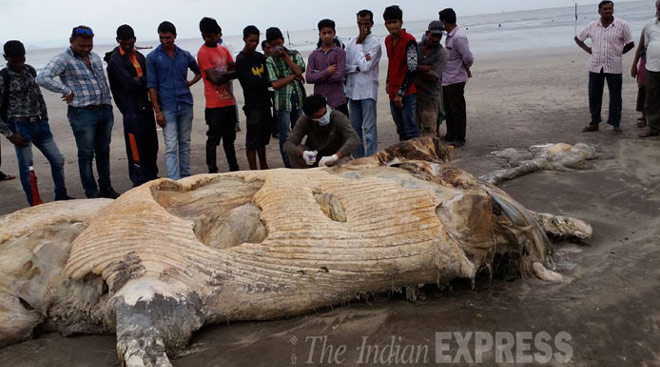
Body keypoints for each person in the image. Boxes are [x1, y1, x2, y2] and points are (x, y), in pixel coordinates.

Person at [37, 25, 119, 199]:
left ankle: (106, 187)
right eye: (82, 46)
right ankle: (92, 192)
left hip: (104, 109)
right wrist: (65, 90)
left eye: (89, 45)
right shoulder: (64, 59)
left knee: (104, 152)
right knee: (86, 154)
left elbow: (102, 82)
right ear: (71, 41)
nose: (86, 49)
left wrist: (108, 102)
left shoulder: (95, 57)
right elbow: (42, 77)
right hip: (83, 113)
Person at [0, 40, 72, 204]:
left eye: (21, 58)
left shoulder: (30, 71)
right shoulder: (3, 77)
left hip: (39, 124)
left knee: (58, 159)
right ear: (6, 57)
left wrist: (45, 119)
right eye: (15, 60)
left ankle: (61, 196)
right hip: (19, 126)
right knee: (27, 168)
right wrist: (10, 135)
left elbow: (38, 96)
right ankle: (35, 203)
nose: (19, 62)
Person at [105, 24, 159, 187]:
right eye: (124, 43)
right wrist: (144, 81)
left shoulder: (139, 56)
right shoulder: (115, 60)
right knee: (135, 146)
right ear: (118, 41)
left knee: (151, 143)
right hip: (131, 109)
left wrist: (141, 81)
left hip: (145, 106)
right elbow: (129, 84)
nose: (127, 46)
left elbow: (148, 78)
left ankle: (152, 176)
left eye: (130, 42)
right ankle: (138, 181)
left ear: (134, 39)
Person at [147, 21, 202, 179]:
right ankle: (174, 179)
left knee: (185, 142)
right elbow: (152, 86)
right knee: (171, 146)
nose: (165, 41)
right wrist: (157, 111)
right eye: (162, 37)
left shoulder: (184, 55)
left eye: (168, 38)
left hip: (185, 103)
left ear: (175, 36)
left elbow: (199, 71)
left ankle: (185, 176)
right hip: (167, 106)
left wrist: (190, 82)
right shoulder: (153, 57)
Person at [575, 0, 634, 135]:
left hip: (614, 66)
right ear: (599, 11)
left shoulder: (622, 25)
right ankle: (594, 122)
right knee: (594, 95)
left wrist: (619, 52)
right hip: (596, 66)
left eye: (610, 8)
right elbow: (578, 38)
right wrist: (588, 49)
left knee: (615, 96)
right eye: (605, 9)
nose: (608, 11)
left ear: (613, 9)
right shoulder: (592, 26)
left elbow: (630, 43)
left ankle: (615, 124)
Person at [197, 17, 239, 173]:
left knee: (230, 139)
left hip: (228, 102)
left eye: (211, 36)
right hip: (214, 104)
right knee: (213, 139)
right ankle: (212, 169)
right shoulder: (202, 53)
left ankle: (233, 167)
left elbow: (235, 71)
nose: (208, 38)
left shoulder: (223, 50)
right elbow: (214, 79)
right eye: (205, 36)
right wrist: (228, 73)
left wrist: (224, 74)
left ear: (218, 35)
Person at [265, 27, 306, 168]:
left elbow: (301, 69)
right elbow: (275, 84)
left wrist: (285, 57)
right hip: (282, 102)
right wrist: (294, 76)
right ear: (268, 46)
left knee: (299, 132)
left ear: (283, 40)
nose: (277, 48)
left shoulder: (294, 54)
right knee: (285, 135)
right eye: (273, 46)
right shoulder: (270, 61)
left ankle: (299, 161)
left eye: (278, 44)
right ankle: (288, 165)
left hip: (298, 98)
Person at [284, 94, 359, 169]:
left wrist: (335, 157)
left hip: (335, 155)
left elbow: (354, 139)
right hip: (314, 156)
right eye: (319, 116)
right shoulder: (305, 120)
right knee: (295, 152)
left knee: (343, 163)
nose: (324, 117)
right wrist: (303, 154)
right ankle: (305, 177)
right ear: (311, 118)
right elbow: (288, 144)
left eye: (325, 113)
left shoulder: (338, 117)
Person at [346, 9, 382, 158]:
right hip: (352, 91)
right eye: (360, 24)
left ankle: (372, 157)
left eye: (366, 24)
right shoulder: (350, 43)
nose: (363, 28)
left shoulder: (376, 44)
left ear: (372, 24)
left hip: (367, 90)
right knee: (354, 128)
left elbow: (367, 67)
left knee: (369, 128)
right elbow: (345, 67)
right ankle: (359, 158)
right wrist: (357, 66)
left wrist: (360, 45)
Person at [236, 25, 271, 170]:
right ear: (244, 39)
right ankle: (253, 169)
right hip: (252, 105)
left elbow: (268, 76)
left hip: (264, 102)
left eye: (256, 41)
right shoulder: (241, 59)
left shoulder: (259, 57)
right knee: (252, 140)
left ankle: (264, 165)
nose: (254, 44)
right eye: (251, 41)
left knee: (263, 139)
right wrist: (266, 82)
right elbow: (250, 82)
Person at [383, 5, 419, 142]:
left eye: (394, 22)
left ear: (401, 22)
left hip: (407, 92)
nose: (392, 26)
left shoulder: (409, 40)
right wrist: (387, 81)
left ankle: (416, 158)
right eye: (389, 23)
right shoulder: (387, 40)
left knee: (410, 128)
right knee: (400, 128)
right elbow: (391, 62)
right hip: (392, 90)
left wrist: (401, 93)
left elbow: (412, 68)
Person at [439, 8, 474, 147]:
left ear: (445, 21)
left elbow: (468, 57)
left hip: (456, 78)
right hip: (447, 78)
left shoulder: (458, 37)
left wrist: (464, 67)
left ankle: (460, 137)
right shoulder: (450, 36)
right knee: (448, 108)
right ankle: (451, 134)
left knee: (457, 110)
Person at [306, 19, 348, 116]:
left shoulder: (340, 53)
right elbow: (309, 78)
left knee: (341, 129)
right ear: (319, 34)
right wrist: (328, 71)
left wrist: (318, 76)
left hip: (338, 100)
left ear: (334, 33)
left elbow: (339, 76)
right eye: (324, 33)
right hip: (320, 103)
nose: (327, 36)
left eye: (329, 32)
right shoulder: (314, 55)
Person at [416, 21, 448, 138]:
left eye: (439, 36)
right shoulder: (416, 47)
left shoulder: (441, 53)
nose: (436, 39)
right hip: (414, 97)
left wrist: (415, 68)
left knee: (430, 134)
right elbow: (407, 66)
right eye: (434, 35)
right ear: (427, 33)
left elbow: (433, 76)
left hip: (430, 98)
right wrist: (424, 68)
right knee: (415, 134)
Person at [639, 0, 660, 138]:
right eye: (659, 7)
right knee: (651, 99)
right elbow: (646, 45)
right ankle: (653, 128)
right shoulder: (649, 25)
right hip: (652, 67)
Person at [262, 40, 279, 140]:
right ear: (264, 49)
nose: (269, 50)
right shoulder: (261, 60)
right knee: (267, 110)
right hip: (265, 87)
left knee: (277, 109)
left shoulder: (274, 60)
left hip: (274, 86)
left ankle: (275, 130)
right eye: (267, 48)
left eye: (270, 47)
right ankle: (270, 129)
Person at [631, 31, 647, 128]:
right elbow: (640, 47)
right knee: (643, 88)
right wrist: (634, 65)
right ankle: (644, 116)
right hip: (647, 61)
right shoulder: (649, 27)